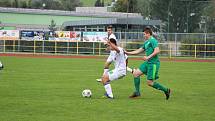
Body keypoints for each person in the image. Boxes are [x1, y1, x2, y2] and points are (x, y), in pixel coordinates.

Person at [125, 27, 171, 100]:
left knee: (150, 82)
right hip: (148, 63)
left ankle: (166, 90)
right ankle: (137, 92)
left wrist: (148, 57)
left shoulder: (153, 41)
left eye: (144, 34)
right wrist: (127, 52)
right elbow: (139, 50)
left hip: (153, 64)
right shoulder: (146, 42)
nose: (144, 36)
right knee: (136, 74)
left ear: (148, 34)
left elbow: (157, 51)